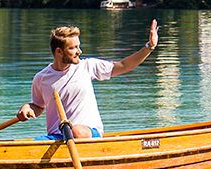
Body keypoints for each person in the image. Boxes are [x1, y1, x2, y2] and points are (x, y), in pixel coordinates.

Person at [19, 20, 159, 140]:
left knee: (76, 131)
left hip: (88, 134)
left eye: (78, 46)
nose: (79, 51)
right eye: (73, 48)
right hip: (57, 137)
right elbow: (38, 106)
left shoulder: (87, 67)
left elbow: (123, 65)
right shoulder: (41, 78)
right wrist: (28, 108)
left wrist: (149, 47)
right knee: (26, 147)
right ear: (59, 52)